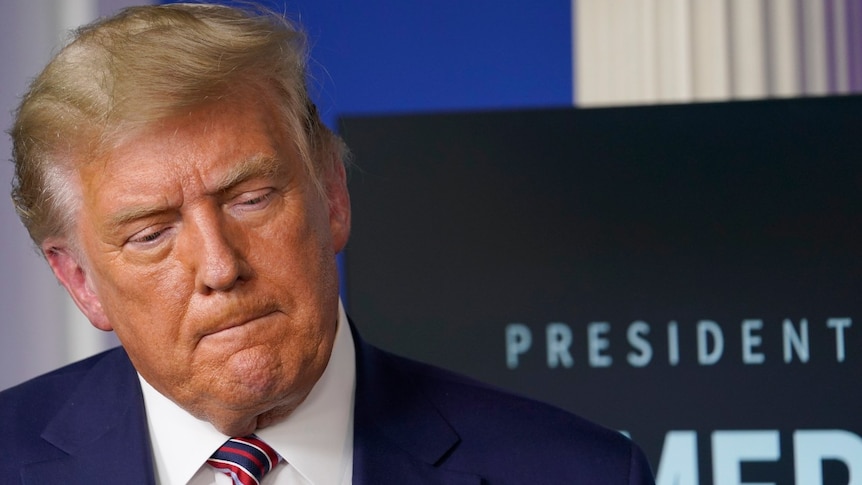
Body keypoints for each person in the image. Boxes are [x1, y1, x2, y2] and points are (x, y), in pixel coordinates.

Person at [0, 3, 654, 484]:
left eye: (251, 198)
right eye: (150, 234)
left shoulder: (575, 471)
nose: (221, 266)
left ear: (332, 195)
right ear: (81, 281)